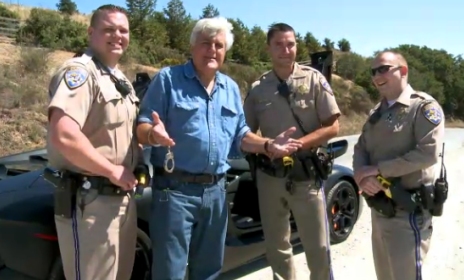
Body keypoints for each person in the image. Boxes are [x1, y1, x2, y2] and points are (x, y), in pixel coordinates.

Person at [136, 17, 303, 280]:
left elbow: (241, 135)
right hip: (175, 192)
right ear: (192, 48)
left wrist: (268, 144)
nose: (212, 50)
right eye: (205, 43)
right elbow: (143, 124)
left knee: (210, 270)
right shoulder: (169, 80)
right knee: (170, 271)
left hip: (216, 193)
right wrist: (153, 135)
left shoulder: (230, 88)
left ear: (225, 52)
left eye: (219, 45)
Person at [46, 5, 140, 280]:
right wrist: (111, 170)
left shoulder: (120, 79)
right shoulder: (80, 73)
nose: (117, 35)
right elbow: (63, 133)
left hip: (122, 198)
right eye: (108, 29)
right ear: (91, 32)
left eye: (123, 30)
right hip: (90, 200)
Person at [243, 23, 341, 280]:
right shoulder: (258, 88)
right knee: (277, 246)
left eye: (291, 44)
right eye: (279, 44)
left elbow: (333, 126)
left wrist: (301, 143)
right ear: (269, 48)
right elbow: (244, 133)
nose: (286, 50)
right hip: (271, 176)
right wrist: (267, 145)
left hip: (306, 174)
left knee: (318, 246)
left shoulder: (313, 78)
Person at [352, 51, 445, 280]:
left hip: (408, 212)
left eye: (384, 68)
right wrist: (362, 176)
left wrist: (378, 170)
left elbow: (428, 154)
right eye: (373, 71)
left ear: (403, 71)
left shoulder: (422, 108)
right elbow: (360, 148)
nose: (377, 75)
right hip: (380, 208)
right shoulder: (376, 112)